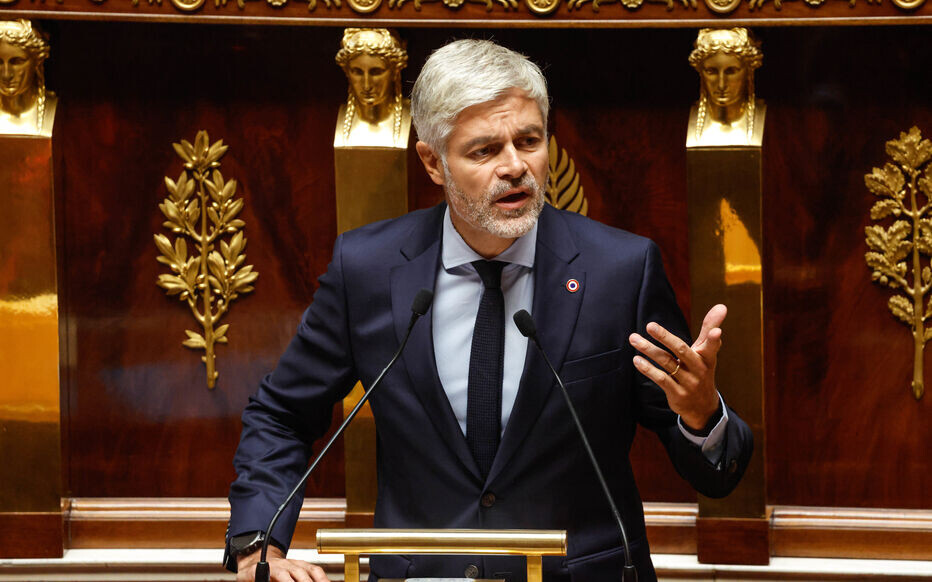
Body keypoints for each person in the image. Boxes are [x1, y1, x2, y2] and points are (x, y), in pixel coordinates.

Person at [226, 39, 753, 582]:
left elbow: (716, 472)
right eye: (483, 151)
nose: (516, 167)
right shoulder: (368, 269)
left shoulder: (621, 270)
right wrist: (257, 545)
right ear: (433, 162)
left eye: (529, 141)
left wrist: (701, 415)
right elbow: (282, 415)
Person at [687, 27, 764, 147]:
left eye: (731, 71)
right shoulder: (682, 122)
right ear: (700, 71)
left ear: (749, 70)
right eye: (711, 71)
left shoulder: (770, 119)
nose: (721, 84)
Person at [334, 28, 409, 148]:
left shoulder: (409, 115)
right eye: (357, 72)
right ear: (347, 72)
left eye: (376, 72)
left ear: (395, 71)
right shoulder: (342, 118)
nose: (367, 85)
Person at [0, 19, 53, 136]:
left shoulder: (57, 111)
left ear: (37, 61)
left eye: (17, 62)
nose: (6, 74)